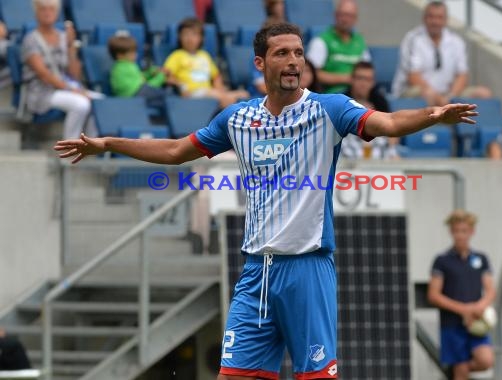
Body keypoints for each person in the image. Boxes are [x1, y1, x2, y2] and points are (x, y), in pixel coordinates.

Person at [54, 22, 477, 380]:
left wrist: (431, 114)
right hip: (256, 272)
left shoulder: (329, 109)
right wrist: (108, 143)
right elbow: (174, 152)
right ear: (261, 63)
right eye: (282, 54)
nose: (294, 61)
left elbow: (385, 122)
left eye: (298, 54)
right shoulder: (238, 118)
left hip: (307, 267)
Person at [428, 210, 495, 380]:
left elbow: (490, 290)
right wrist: (463, 309)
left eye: (464, 231)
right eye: (456, 231)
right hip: (452, 324)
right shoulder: (442, 261)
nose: (460, 235)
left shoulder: (481, 259)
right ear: (451, 232)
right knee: (461, 369)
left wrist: (479, 307)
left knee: (486, 359)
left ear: (471, 232)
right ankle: (456, 371)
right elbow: (434, 295)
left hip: (476, 323)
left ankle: (453, 372)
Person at [22, 0, 104, 139]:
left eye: (51, 9)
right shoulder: (31, 40)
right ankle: (69, 148)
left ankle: (91, 144)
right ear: (36, 12)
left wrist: (71, 46)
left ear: (57, 12)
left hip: (65, 87)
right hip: (42, 91)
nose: (47, 13)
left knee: (99, 101)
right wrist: (73, 90)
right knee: (81, 104)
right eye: (43, 9)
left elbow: (74, 74)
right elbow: (43, 74)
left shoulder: (63, 37)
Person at [392, 1, 492, 106]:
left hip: (446, 93)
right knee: (428, 94)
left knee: (484, 94)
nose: (435, 21)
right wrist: (439, 98)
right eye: (431, 17)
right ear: (424, 18)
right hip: (412, 92)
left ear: (445, 20)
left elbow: (462, 75)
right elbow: (413, 77)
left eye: (439, 17)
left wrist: (451, 97)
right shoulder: (412, 39)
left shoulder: (456, 41)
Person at [164, 18, 249, 108]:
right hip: (192, 93)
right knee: (220, 96)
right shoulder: (177, 55)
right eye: (185, 34)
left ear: (201, 38)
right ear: (179, 37)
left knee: (244, 95)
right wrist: (181, 86)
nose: (189, 38)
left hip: (209, 92)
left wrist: (220, 90)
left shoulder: (204, 55)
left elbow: (215, 76)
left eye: (194, 35)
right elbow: (166, 75)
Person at [341, 61, 404, 160]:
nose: (363, 83)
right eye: (360, 78)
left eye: (368, 79)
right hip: (347, 146)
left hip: (375, 144)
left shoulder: (380, 100)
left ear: (373, 82)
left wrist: (391, 141)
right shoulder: (341, 99)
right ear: (352, 79)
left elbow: (392, 128)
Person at [306, 0, 370, 94]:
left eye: (350, 16)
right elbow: (311, 74)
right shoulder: (322, 40)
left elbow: (368, 71)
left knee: (379, 99)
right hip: (331, 95)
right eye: (343, 14)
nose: (346, 19)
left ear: (355, 19)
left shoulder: (360, 41)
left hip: (357, 94)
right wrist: (348, 79)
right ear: (335, 15)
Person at [108, 34, 177, 109]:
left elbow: (140, 77)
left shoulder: (123, 66)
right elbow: (146, 85)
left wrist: (151, 72)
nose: (135, 55)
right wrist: (161, 76)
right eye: (131, 53)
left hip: (135, 94)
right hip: (134, 94)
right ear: (120, 55)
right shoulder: (126, 67)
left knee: (162, 101)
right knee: (168, 95)